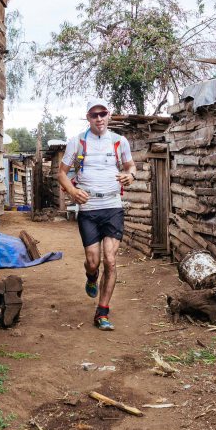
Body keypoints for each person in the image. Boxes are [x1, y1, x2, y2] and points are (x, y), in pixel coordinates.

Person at [57, 98, 137, 331]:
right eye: (94, 115)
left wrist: (131, 176)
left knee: (110, 260)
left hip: (113, 206)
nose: (99, 118)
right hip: (89, 208)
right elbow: (61, 173)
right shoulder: (77, 142)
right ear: (88, 118)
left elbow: (131, 166)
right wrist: (72, 191)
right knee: (94, 262)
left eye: (103, 114)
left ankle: (102, 312)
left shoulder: (120, 142)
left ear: (109, 115)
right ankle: (91, 276)